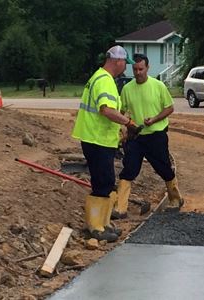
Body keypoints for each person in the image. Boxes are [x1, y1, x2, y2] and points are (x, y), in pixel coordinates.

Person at [71, 45, 138, 242]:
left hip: (100, 139)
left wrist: (119, 131)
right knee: (102, 183)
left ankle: (105, 223)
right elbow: (106, 110)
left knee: (107, 182)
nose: (126, 66)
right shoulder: (104, 81)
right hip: (96, 139)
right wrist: (128, 123)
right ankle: (96, 227)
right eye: (125, 62)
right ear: (117, 61)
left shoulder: (102, 78)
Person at [115, 54, 184, 219]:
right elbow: (122, 111)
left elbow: (169, 108)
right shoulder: (127, 89)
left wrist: (154, 119)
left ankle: (175, 198)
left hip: (156, 135)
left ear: (147, 68)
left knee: (163, 168)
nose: (138, 72)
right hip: (136, 137)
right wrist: (123, 129)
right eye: (135, 69)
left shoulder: (158, 86)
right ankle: (120, 207)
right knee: (129, 170)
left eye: (141, 69)